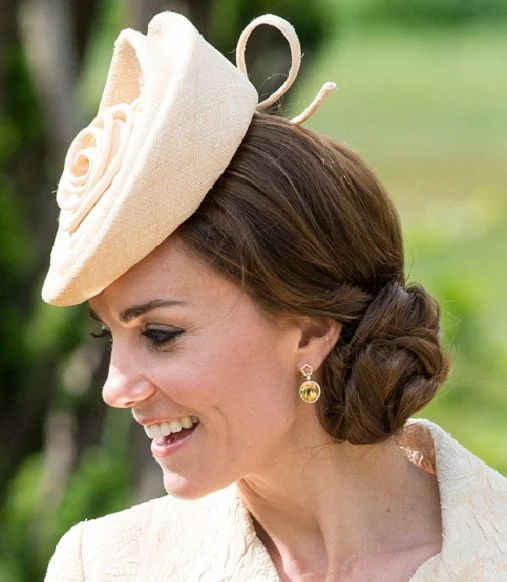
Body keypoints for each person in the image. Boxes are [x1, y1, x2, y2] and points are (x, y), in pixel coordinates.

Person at [43, 11, 506, 582]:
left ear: (310, 329)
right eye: (107, 333)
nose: (116, 388)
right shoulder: (107, 567)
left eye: (160, 335)